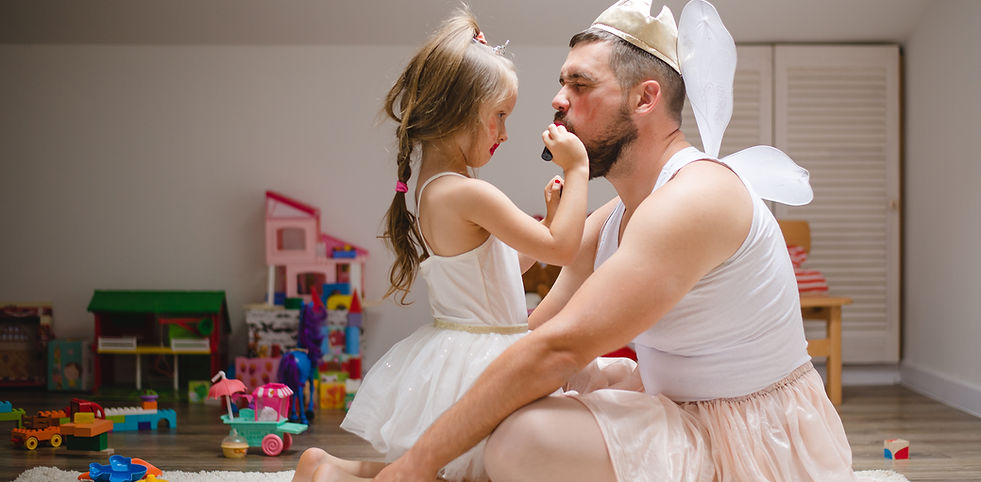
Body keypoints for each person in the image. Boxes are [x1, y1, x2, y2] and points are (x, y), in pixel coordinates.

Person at [368, 0, 861, 481]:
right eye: (563, 83)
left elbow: (558, 349)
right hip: (683, 410)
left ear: (645, 99)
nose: (559, 100)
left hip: (752, 442)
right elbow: (533, 336)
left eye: (579, 84)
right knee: (518, 397)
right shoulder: (619, 216)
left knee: (525, 439)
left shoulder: (696, 197)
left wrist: (415, 465)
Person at [292, 9, 589, 482]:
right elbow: (563, 250)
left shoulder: (436, 188)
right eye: (500, 117)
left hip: (461, 349)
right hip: (483, 360)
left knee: (445, 470)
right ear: (461, 113)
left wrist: (551, 218)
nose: (506, 134)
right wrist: (577, 170)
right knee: (467, 473)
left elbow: (504, 267)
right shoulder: (468, 192)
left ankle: (330, 469)